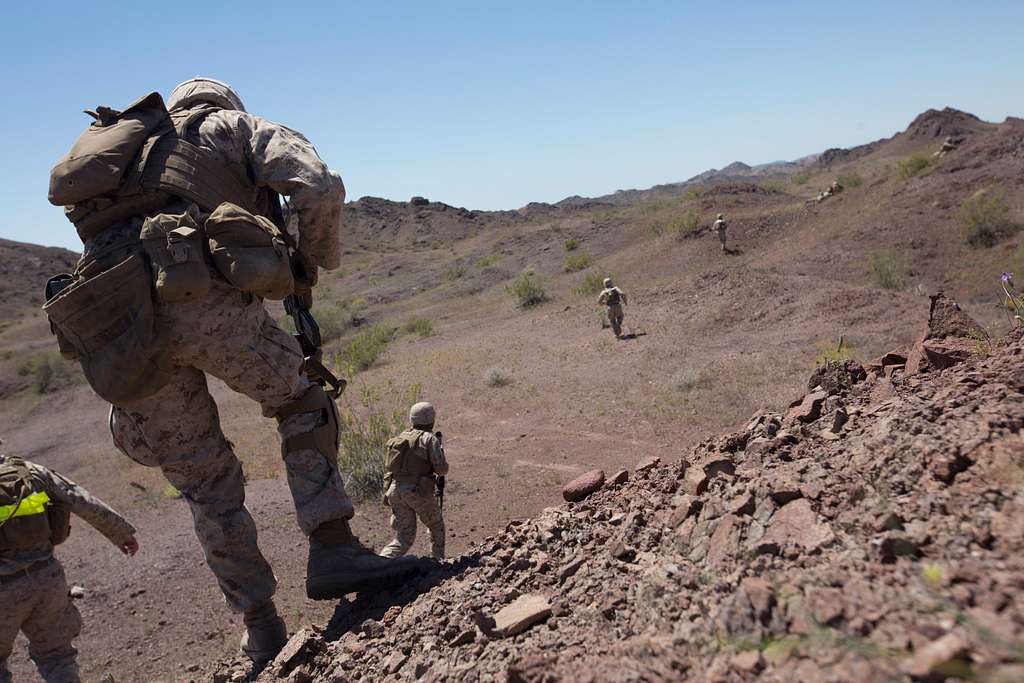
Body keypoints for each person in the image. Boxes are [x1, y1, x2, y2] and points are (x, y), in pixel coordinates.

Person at [45, 78, 418, 667]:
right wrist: (313, 261)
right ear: (225, 103)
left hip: (120, 320)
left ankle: (261, 625)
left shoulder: (122, 162)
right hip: (203, 298)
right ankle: (333, 547)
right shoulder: (227, 128)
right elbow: (318, 184)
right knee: (301, 400)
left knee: (202, 477)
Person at [0, 452, 137, 683]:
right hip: (47, 578)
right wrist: (120, 533)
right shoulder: (28, 470)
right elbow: (77, 497)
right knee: (56, 657)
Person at [379, 403, 448, 561]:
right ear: (432, 419)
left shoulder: (401, 437)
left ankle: (381, 563)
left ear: (412, 419)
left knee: (403, 537)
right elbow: (441, 470)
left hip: (395, 491)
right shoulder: (429, 439)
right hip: (416, 492)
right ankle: (438, 565)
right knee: (436, 526)